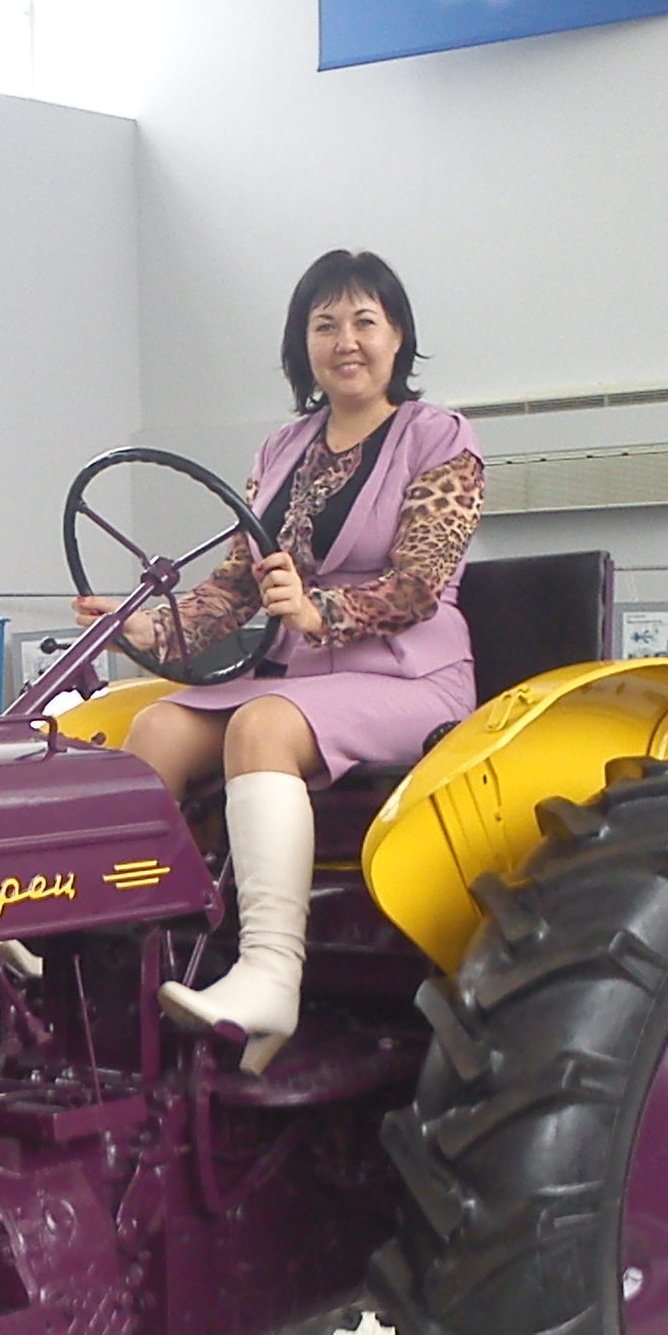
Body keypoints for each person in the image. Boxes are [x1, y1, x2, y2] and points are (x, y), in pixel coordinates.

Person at [74, 249, 485, 1071]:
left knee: (260, 726)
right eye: (325, 325)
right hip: (299, 678)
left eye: (364, 321)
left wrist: (319, 611)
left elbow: (421, 582)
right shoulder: (282, 448)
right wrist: (148, 629)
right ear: (304, 345)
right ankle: (100, 939)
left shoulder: (439, 437)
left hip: (405, 674)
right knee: (157, 728)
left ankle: (270, 976)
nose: (346, 341)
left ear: (398, 337)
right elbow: (234, 586)